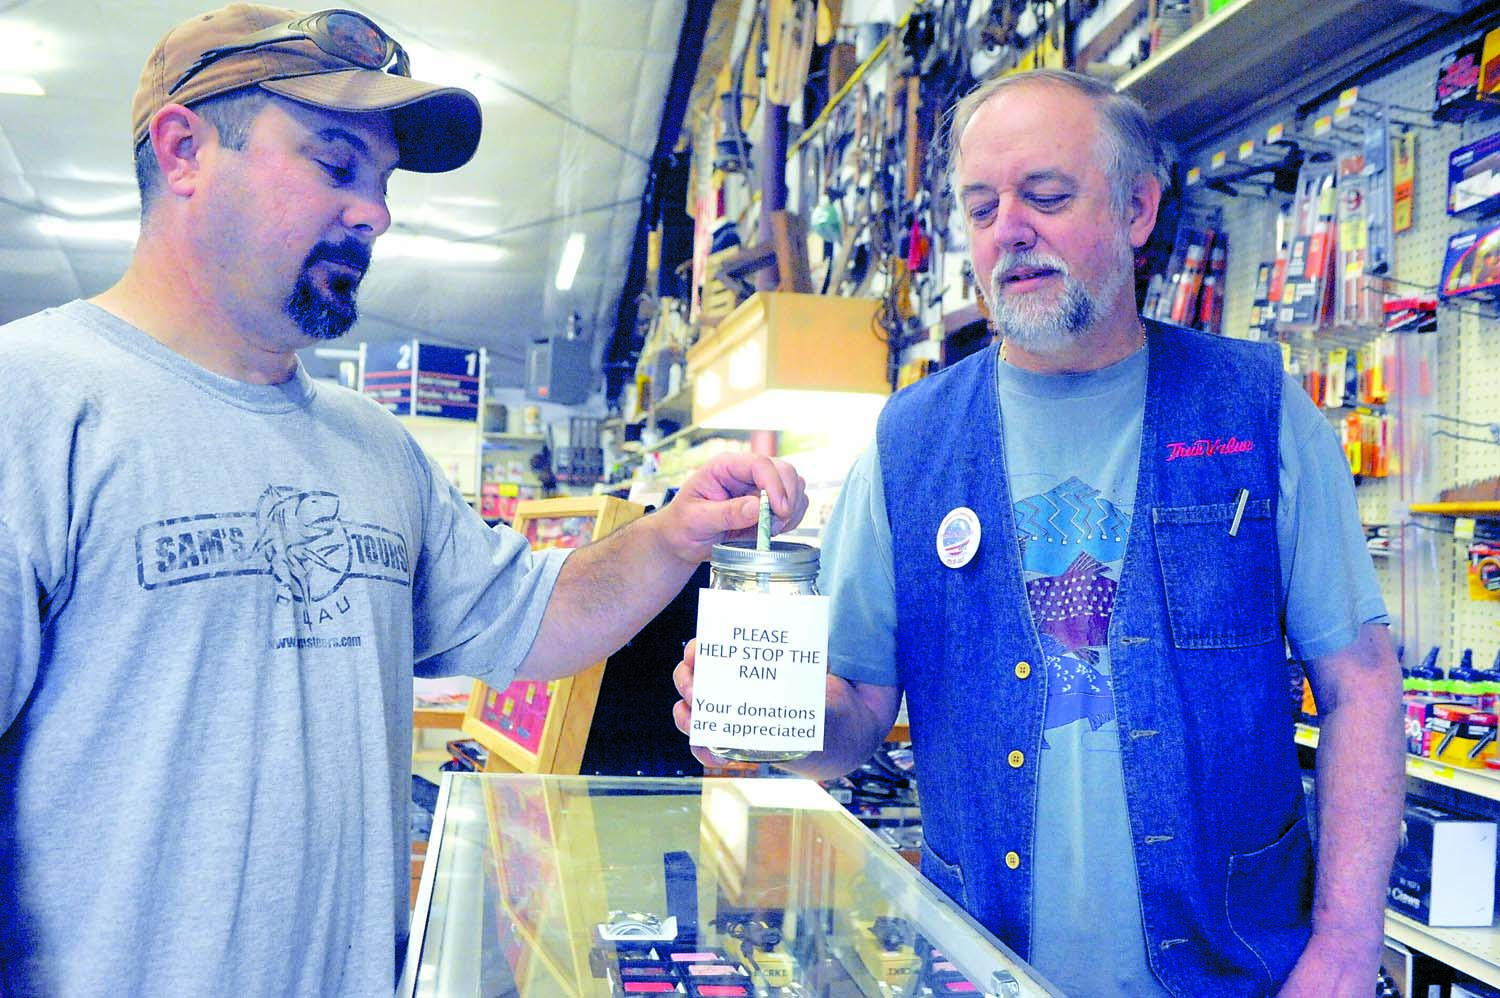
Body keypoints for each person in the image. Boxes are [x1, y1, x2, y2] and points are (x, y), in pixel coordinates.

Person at [0, 6, 807, 996]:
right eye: (337, 164)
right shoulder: (31, 404)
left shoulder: (375, 448)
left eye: (382, 183)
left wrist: (674, 533)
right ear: (183, 149)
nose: (375, 213)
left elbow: (534, 618)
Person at [675, 68, 1403, 997]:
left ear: (1139, 209)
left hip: (1240, 970)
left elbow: (1363, 688)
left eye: (1046, 196)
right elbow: (854, 718)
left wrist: (1344, 948)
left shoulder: (1260, 409)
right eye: (981, 208)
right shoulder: (908, 444)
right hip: (982, 968)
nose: (1008, 228)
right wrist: (758, 711)